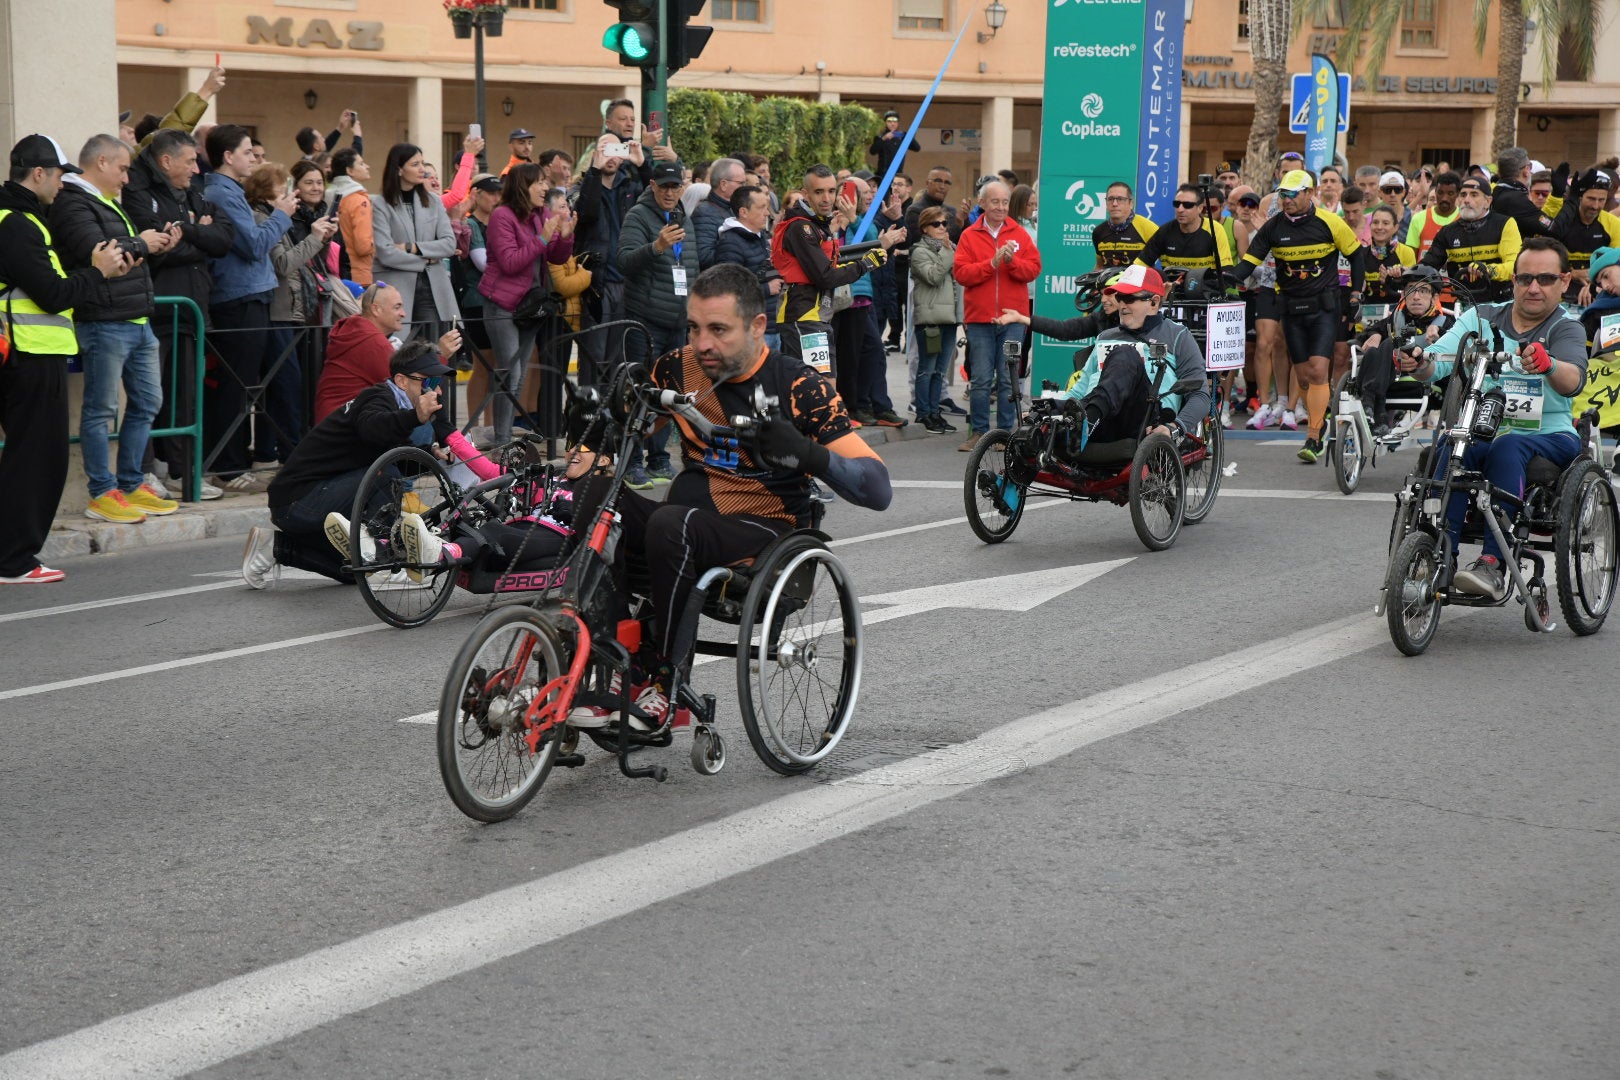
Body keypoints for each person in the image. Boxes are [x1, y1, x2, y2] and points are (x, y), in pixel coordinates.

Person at [597, 263, 891, 726]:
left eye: (718, 330)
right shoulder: (679, 367)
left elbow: (877, 490)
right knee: (589, 495)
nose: (702, 343)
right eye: (693, 328)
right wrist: (603, 424)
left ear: (757, 326)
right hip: (686, 519)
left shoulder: (798, 386)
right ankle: (607, 662)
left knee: (672, 521)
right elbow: (630, 429)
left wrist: (808, 454)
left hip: (764, 532)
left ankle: (665, 685)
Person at [1397, 238, 1590, 599]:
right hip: (1483, 425)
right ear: (1513, 280)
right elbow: (1438, 360)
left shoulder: (1567, 327)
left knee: (1508, 444)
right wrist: (1418, 361)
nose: (1534, 287)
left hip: (1550, 434)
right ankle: (1438, 554)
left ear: (1564, 282)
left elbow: (1572, 381)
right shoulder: (1480, 318)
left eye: (1546, 279)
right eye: (1525, 278)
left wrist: (1547, 364)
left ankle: (1492, 563)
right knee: (1450, 445)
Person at [0, 135, 135, 582]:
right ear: (38, 173)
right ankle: (15, 560)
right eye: (59, 175)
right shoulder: (18, 223)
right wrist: (98, 272)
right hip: (29, 355)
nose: (63, 184)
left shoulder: (22, 218)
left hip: (26, 354)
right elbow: (53, 294)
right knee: (36, 460)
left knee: (28, 457)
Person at [245, 341, 453, 589]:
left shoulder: (394, 407)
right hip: (298, 500)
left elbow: (394, 451)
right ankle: (382, 559)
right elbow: (372, 429)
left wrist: (432, 454)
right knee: (385, 473)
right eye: (428, 382)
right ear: (402, 381)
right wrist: (414, 417)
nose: (436, 391)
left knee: (353, 572)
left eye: (438, 383)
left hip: (311, 498)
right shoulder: (376, 397)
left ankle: (275, 547)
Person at [49, 133, 181, 524]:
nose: (127, 178)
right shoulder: (72, 202)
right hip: (104, 322)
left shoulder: (107, 203)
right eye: (123, 168)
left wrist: (149, 247)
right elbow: (102, 253)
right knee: (101, 409)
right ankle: (102, 492)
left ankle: (130, 483)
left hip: (137, 320)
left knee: (147, 404)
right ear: (102, 161)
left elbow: (125, 255)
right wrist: (141, 243)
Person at [122, 128, 235, 501]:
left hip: (191, 312)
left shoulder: (194, 191)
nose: (195, 167)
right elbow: (155, 249)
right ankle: (143, 473)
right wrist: (194, 239)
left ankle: (184, 474)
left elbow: (222, 240)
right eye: (189, 160)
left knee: (186, 397)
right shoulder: (139, 192)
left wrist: (185, 232)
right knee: (148, 397)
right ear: (166, 161)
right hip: (158, 311)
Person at [1223, 168, 1364, 462]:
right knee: (1303, 377)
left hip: (1324, 308)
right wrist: (1226, 278)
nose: (1286, 200)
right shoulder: (1274, 227)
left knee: (1316, 370)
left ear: (1309, 193)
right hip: (1291, 310)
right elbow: (1249, 262)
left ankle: (1313, 436)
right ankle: (1319, 416)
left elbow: (1356, 255)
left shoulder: (1330, 222)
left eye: (1292, 194)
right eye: (1282, 194)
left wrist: (1354, 293)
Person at [1002, 264, 1207, 453]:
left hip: (1146, 419)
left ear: (1153, 302)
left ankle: (1085, 423)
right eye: (1119, 298)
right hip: (1099, 417)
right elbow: (1080, 390)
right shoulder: (1105, 337)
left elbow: (1201, 395)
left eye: (1129, 298)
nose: (1122, 305)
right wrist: (1049, 407)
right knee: (1038, 419)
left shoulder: (1178, 335)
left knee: (1125, 354)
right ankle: (1007, 486)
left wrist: (1175, 427)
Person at [203, 124, 295, 487]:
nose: (253, 158)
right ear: (228, 157)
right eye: (246, 152)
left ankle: (234, 461)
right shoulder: (222, 193)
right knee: (235, 385)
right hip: (238, 297)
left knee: (245, 384)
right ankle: (228, 465)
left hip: (251, 294)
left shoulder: (230, 191)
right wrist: (282, 214)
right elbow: (254, 244)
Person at [244, 161, 335, 467]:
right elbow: (283, 265)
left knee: (284, 386)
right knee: (286, 385)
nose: (288, 191)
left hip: (292, 310)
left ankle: (271, 452)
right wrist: (314, 237)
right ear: (266, 190)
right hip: (278, 310)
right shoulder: (262, 217)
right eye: (281, 186)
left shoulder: (274, 216)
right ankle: (289, 452)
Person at [618, 159, 701, 486]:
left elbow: (693, 266)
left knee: (669, 393)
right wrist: (657, 247)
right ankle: (631, 461)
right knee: (639, 392)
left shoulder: (684, 216)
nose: (670, 192)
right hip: (644, 320)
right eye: (664, 186)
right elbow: (624, 262)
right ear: (652, 185)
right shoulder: (638, 216)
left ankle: (659, 457)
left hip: (678, 322)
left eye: (675, 186)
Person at [479, 163, 573, 445]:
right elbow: (510, 262)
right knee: (511, 371)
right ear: (523, 186)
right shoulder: (502, 216)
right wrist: (543, 236)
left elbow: (555, 257)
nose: (546, 188)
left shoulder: (541, 214)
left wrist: (566, 236)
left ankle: (504, 436)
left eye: (546, 182)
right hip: (502, 304)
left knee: (518, 374)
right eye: (540, 183)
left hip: (530, 306)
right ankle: (502, 438)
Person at [770, 163, 888, 372]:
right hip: (803, 315)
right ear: (805, 194)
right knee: (816, 389)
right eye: (819, 192)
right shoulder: (802, 226)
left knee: (827, 385)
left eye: (831, 191)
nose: (826, 198)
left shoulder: (820, 223)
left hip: (821, 314)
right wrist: (866, 264)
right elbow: (825, 276)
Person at [953, 179, 1041, 452]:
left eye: (1005, 202)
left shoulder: (1020, 233)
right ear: (982, 204)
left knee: (1007, 377)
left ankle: (1004, 432)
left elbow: (1034, 269)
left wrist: (1011, 261)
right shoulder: (969, 235)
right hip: (979, 319)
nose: (1001, 207)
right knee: (979, 378)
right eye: (995, 202)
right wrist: (991, 264)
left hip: (1012, 318)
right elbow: (961, 273)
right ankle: (978, 431)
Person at [314, 282, 460, 423]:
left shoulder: (358, 329)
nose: (403, 314)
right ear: (376, 309)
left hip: (339, 418)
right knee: (423, 414)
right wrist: (440, 356)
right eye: (397, 307)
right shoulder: (372, 342)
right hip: (346, 424)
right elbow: (409, 389)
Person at [833, 176, 907, 428]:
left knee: (872, 353)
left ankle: (867, 406)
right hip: (842, 300)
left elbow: (873, 241)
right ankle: (852, 407)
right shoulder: (833, 223)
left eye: (871, 192)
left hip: (863, 298)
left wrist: (854, 220)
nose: (869, 196)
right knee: (848, 358)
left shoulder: (862, 221)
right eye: (863, 191)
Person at [372, 142, 459, 342]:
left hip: (433, 288)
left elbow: (448, 244)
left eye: (422, 163)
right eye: (415, 164)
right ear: (399, 169)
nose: (423, 169)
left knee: (436, 348)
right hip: (397, 289)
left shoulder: (434, 201)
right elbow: (385, 253)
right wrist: (426, 260)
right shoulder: (380, 204)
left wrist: (412, 248)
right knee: (400, 349)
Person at [572, 132, 641, 386]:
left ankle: (612, 417)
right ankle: (589, 415)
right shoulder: (583, 187)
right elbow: (585, 215)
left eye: (616, 149)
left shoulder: (631, 188)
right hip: (596, 284)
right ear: (595, 153)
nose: (611, 155)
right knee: (594, 357)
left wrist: (642, 165)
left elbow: (657, 198)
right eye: (605, 149)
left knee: (618, 358)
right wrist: (593, 173)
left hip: (626, 282)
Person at [1355, 270, 1449, 435]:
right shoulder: (1396, 318)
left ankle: (1371, 405)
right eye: (1411, 290)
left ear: (1434, 298)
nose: (1416, 296)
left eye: (1423, 291)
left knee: (1390, 342)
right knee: (1373, 352)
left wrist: (1440, 332)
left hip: (1425, 382)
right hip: (1391, 381)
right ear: (1404, 295)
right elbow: (1369, 331)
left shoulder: (1445, 322)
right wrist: (1375, 334)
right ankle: (1376, 412)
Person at [1420, 174, 1522, 303]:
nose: (1466, 200)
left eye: (1474, 195)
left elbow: (1515, 266)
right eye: (1463, 195)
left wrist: (1488, 270)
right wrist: (1405, 272)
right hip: (1463, 302)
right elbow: (1428, 265)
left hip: (1499, 301)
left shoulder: (1505, 223)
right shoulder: (1447, 231)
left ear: (1488, 201)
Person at [909, 205, 961, 434]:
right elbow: (933, 276)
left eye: (944, 224)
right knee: (927, 369)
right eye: (936, 224)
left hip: (949, 318)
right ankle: (924, 413)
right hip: (930, 318)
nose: (942, 228)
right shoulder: (919, 251)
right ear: (925, 228)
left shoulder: (950, 249)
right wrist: (948, 253)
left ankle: (935, 412)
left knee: (940, 371)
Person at [711, 183, 781, 350]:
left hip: (770, 325)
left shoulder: (760, 236)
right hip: (751, 329)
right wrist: (766, 288)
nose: (767, 213)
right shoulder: (730, 243)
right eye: (762, 207)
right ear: (743, 212)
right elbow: (728, 289)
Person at [1135, 181, 1235, 282]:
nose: (1180, 209)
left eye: (1187, 205)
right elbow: (1139, 267)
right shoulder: (1165, 231)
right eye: (1177, 204)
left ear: (1200, 208)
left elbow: (1226, 271)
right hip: (1171, 291)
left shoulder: (1215, 229)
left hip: (1204, 292)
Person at [1550, 167, 1620, 305]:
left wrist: (1594, 286)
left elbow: (1617, 264)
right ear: (1579, 197)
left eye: (1601, 200)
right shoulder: (1562, 218)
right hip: (1558, 295)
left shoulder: (1613, 224)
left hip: (1595, 295)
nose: (1595, 206)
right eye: (1591, 199)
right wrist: (1573, 273)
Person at [326, 148, 374, 284]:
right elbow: (363, 246)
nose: (367, 167)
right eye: (361, 164)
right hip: (358, 274)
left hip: (332, 271)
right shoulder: (359, 200)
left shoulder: (326, 197)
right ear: (349, 171)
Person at [691, 157, 744, 270]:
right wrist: (740, 250)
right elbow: (704, 257)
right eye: (741, 183)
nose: (745, 188)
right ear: (723, 184)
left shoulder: (732, 208)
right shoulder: (704, 213)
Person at [1490, 146, 1554, 240]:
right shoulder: (1515, 199)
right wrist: (1570, 198)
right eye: (1536, 192)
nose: (1540, 197)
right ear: (1526, 170)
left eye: (1545, 193)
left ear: (1499, 172)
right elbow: (1553, 227)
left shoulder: (1493, 192)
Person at [1093, 181, 1158, 269]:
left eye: (1120, 199)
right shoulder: (1098, 231)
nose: (1114, 204)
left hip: (1139, 282)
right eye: (1110, 199)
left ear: (1131, 203)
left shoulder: (1149, 228)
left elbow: (1165, 262)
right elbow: (1099, 266)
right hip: (1109, 282)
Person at [1405, 170, 1461, 261]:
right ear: (1435, 192)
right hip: (1423, 274)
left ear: (1457, 194)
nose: (1444, 198)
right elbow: (1410, 258)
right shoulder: (1419, 218)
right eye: (1440, 193)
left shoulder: (1464, 219)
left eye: (1450, 193)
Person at [904, 166, 964, 245]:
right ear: (927, 183)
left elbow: (962, 243)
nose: (942, 186)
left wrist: (965, 222)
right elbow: (924, 243)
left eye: (947, 183)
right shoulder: (915, 210)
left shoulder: (952, 211)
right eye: (938, 181)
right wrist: (958, 226)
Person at [868, 110, 920, 178]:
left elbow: (917, 148)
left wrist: (907, 136)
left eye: (895, 121)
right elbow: (872, 151)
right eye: (889, 121)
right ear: (885, 123)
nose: (892, 124)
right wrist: (884, 138)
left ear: (898, 123)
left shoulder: (902, 136)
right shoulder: (880, 137)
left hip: (898, 174)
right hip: (883, 174)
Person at [295, 111, 362, 161]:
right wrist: (357, 135)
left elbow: (325, 146)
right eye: (321, 138)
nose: (324, 140)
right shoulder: (324, 164)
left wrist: (340, 128)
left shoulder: (304, 162)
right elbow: (353, 161)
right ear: (316, 146)